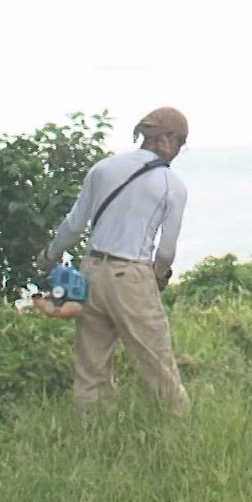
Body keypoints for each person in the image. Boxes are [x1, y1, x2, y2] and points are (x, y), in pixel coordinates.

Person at [35, 106, 192, 413]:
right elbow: (165, 252)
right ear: (170, 139)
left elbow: (74, 225)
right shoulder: (172, 185)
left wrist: (50, 256)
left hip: (91, 272)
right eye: (181, 143)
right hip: (131, 275)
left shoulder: (103, 169)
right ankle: (178, 428)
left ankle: (91, 430)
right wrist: (159, 277)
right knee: (157, 365)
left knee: (91, 368)